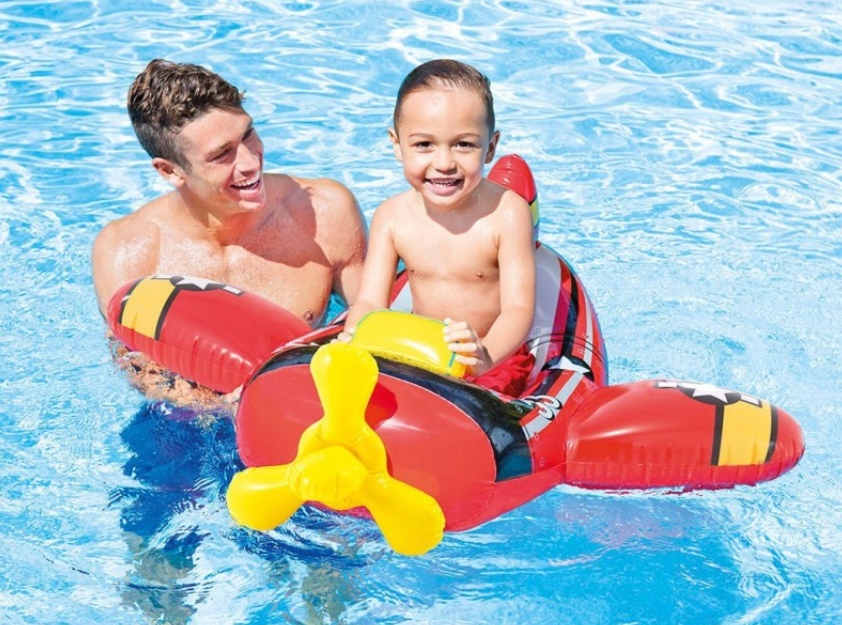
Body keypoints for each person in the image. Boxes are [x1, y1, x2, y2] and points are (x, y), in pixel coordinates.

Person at [92, 59, 367, 407]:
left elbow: (372, 324)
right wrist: (224, 406)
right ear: (170, 171)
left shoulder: (325, 213)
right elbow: (140, 373)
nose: (251, 162)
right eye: (222, 155)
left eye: (248, 134)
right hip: (187, 422)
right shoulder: (126, 252)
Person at [342, 59, 536, 396]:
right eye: (424, 145)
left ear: (490, 147)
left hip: (489, 359)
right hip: (421, 354)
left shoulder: (507, 214)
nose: (444, 163)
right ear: (397, 145)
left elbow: (518, 309)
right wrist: (355, 335)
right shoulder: (391, 216)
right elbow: (371, 300)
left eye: (464, 144)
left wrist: (485, 355)